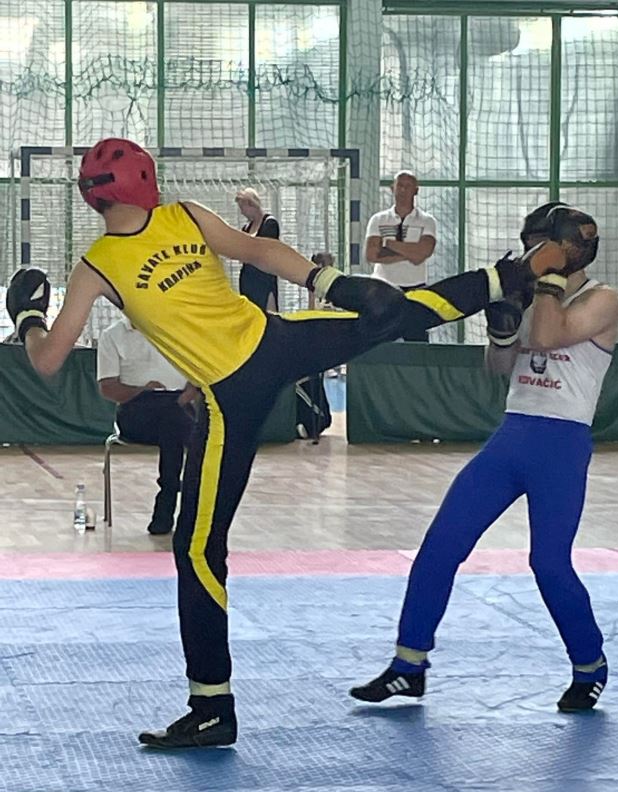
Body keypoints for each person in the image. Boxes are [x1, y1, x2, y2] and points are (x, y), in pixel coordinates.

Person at [6, 138, 568, 749]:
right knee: (390, 314)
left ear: (91, 197)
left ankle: (211, 706)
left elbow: (48, 358)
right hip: (272, 348)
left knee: (198, 551)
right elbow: (261, 250)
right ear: (145, 180)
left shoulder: (100, 263)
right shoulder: (175, 219)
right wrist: (332, 282)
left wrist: (29, 319)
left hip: (235, 388)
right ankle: (511, 277)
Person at [351, 202, 618, 713]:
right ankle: (409, 665)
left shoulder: (603, 298)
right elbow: (498, 366)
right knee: (439, 547)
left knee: (549, 563)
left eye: (542, 247)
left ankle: (590, 665)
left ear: (570, 248)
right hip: (513, 435)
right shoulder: (536, 294)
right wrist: (501, 331)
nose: (532, 256)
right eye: (531, 247)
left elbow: (548, 336)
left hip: (561, 445)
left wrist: (544, 285)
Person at [97, 315, 197, 535]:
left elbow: (199, 377)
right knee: (181, 427)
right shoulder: (113, 335)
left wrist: (186, 395)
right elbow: (108, 388)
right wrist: (142, 390)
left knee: (173, 422)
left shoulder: (181, 329)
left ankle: (168, 500)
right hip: (137, 408)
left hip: (178, 403)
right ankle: (182, 504)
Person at [364, 170, 437, 341]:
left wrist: (388, 244)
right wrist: (411, 252)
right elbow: (371, 254)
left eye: (408, 186)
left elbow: (423, 253)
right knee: (380, 339)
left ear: (416, 190)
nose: (403, 190)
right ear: (392, 188)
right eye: (400, 186)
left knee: (416, 339)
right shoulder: (378, 219)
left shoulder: (427, 221)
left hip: (415, 289)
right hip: (382, 288)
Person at [236, 188, 279, 311]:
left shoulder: (269, 224)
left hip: (264, 279)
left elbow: (264, 250)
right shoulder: (246, 228)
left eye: (242, 208)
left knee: (268, 313)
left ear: (251, 204)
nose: (242, 212)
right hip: (248, 280)